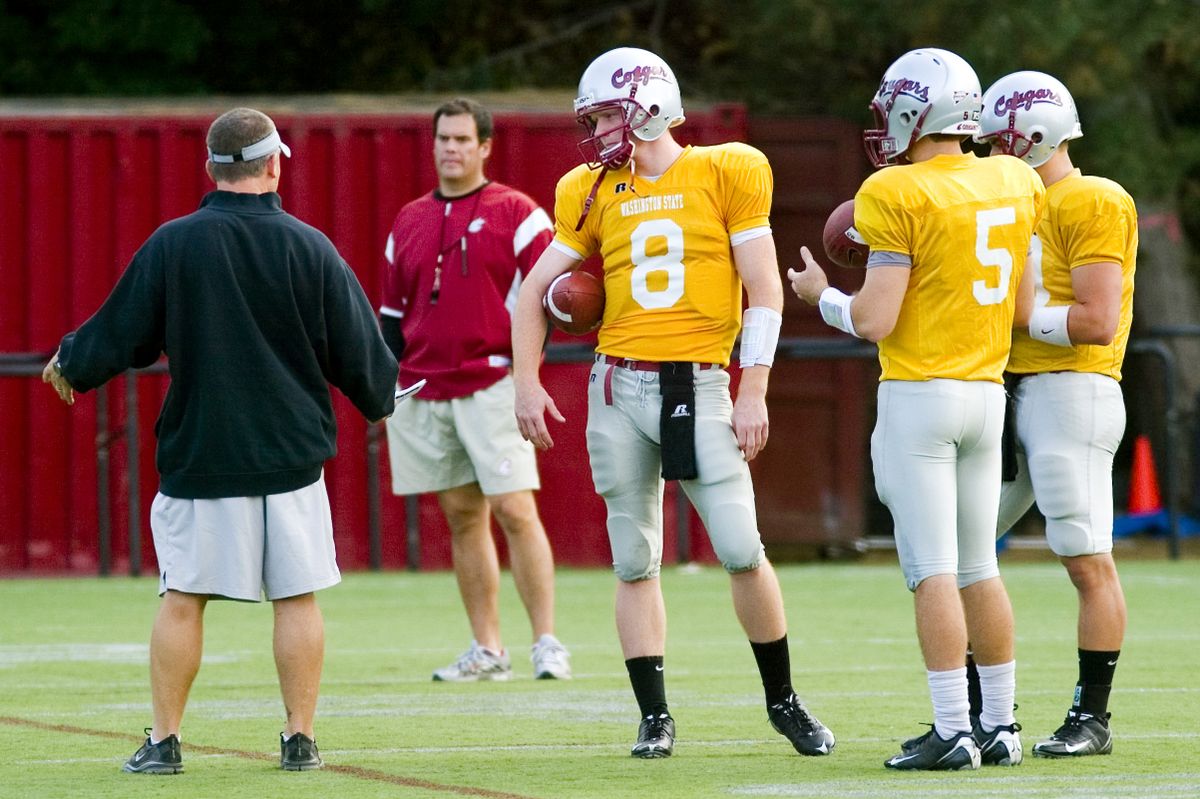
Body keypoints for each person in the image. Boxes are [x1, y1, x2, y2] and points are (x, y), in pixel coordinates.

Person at [42, 107, 398, 774]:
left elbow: (121, 330)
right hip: (292, 455)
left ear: (211, 168)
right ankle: (300, 740)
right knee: (296, 595)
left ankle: (166, 741)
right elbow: (359, 354)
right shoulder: (310, 247)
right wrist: (383, 396)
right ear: (273, 164)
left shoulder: (174, 244)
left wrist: (72, 362)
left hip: (203, 452)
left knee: (183, 597)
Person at [512, 46, 835, 759]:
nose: (595, 132)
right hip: (617, 384)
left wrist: (754, 388)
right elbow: (529, 291)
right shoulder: (588, 190)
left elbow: (766, 290)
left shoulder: (727, 168)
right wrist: (526, 380)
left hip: (699, 382)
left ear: (646, 107)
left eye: (604, 116)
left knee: (741, 549)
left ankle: (783, 701)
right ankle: (654, 715)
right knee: (634, 558)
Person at [789, 48, 1045, 770]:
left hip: (921, 397)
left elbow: (873, 319)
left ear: (912, 110)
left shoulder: (894, 191)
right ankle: (1000, 726)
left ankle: (952, 729)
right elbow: (1023, 306)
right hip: (988, 394)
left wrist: (821, 297)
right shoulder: (1015, 177)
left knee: (932, 570)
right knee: (978, 567)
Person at [379, 98, 571, 682]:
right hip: (425, 386)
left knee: (515, 508)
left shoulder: (520, 213)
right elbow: (391, 315)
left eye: (463, 139)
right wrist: (381, 384)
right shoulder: (408, 219)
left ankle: (546, 643)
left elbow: (553, 301)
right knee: (463, 517)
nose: (452, 149)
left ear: (485, 146)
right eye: (444, 139)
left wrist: (528, 378)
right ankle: (488, 648)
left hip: (494, 381)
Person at [975, 71, 1136, 758]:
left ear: (1030, 135)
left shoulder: (1092, 198)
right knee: (960, 551)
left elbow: (1098, 320)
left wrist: (1016, 319)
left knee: (1083, 556)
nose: (983, 152)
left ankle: (1090, 717)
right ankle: (984, 712)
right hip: (1007, 391)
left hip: (1073, 389)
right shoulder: (1001, 200)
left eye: (995, 140)